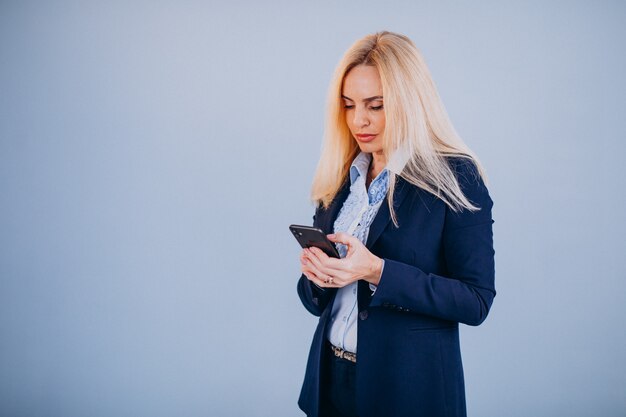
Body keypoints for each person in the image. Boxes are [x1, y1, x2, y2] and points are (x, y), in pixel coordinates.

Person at [296, 31, 496, 417]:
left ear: (410, 102)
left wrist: (376, 271)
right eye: (349, 105)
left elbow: (476, 301)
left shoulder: (456, 177)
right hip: (331, 382)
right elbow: (313, 302)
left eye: (376, 105)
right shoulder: (342, 176)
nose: (359, 120)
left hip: (410, 392)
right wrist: (318, 275)